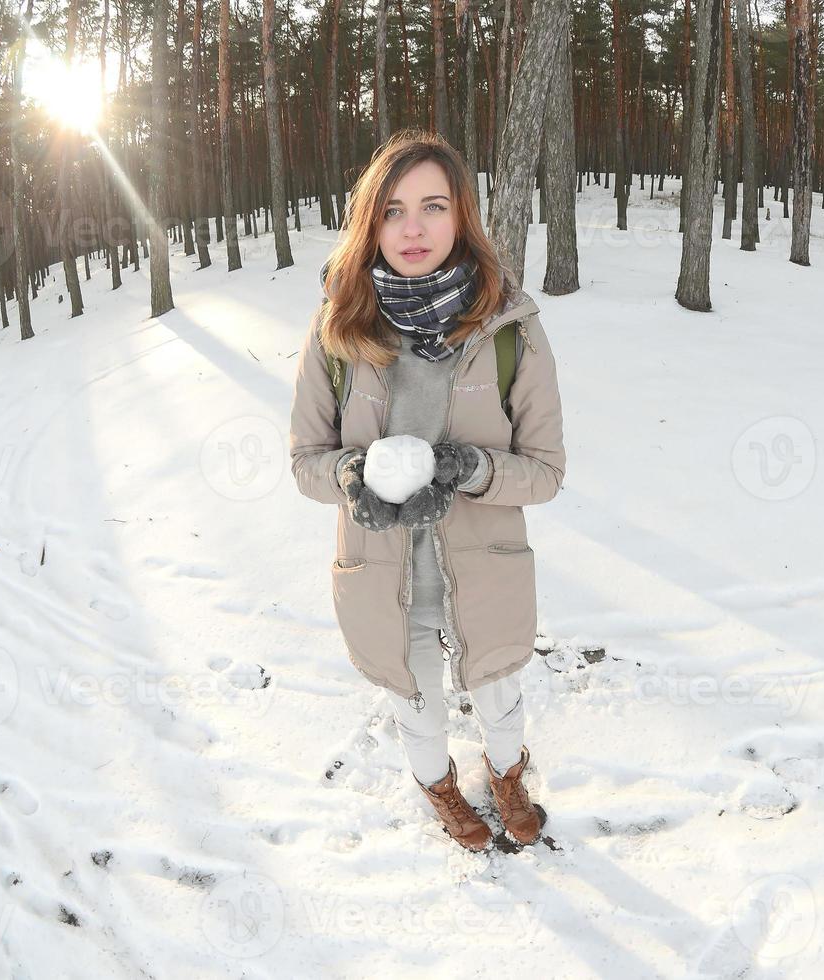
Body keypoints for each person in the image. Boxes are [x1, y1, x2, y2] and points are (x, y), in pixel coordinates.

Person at [289, 129, 566, 852]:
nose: (413, 228)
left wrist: (470, 469)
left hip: (486, 565)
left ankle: (507, 775)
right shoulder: (336, 331)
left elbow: (546, 471)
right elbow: (305, 462)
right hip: (383, 573)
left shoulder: (512, 330)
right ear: (369, 222)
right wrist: (350, 476)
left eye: (434, 206)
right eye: (393, 210)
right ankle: (438, 785)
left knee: (500, 692)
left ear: (462, 216)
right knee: (418, 704)